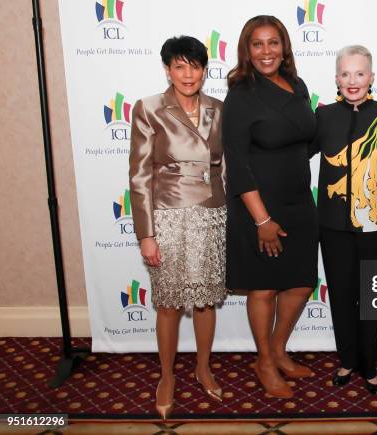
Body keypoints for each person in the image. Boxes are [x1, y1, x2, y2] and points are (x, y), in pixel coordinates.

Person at [129, 36, 227, 419]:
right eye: (180, 66)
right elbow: (139, 176)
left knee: (204, 299)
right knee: (169, 303)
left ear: (205, 69)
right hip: (167, 215)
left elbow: (227, 167)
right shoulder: (149, 108)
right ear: (168, 69)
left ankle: (203, 368)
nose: (189, 74)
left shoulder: (219, 109)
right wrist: (146, 234)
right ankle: (166, 376)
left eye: (196, 66)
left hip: (212, 213)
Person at [222, 15, 318, 399]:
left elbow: (306, 140)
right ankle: (263, 360)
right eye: (258, 44)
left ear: (284, 47)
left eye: (273, 43)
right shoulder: (242, 94)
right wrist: (262, 218)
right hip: (258, 205)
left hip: (299, 201)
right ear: (247, 50)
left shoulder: (297, 85)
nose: (266, 51)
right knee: (263, 288)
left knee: (299, 283)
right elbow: (236, 160)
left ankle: (278, 349)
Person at [310, 45, 377, 394]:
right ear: (336, 79)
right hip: (332, 226)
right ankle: (347, 360)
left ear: (372, 78)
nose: (352, 80)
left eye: (360, 73)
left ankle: (370, 363)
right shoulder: (324, 116)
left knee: (371, 296)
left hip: (376, 223)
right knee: (342, 296)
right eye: (345, 74)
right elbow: (294, 153)